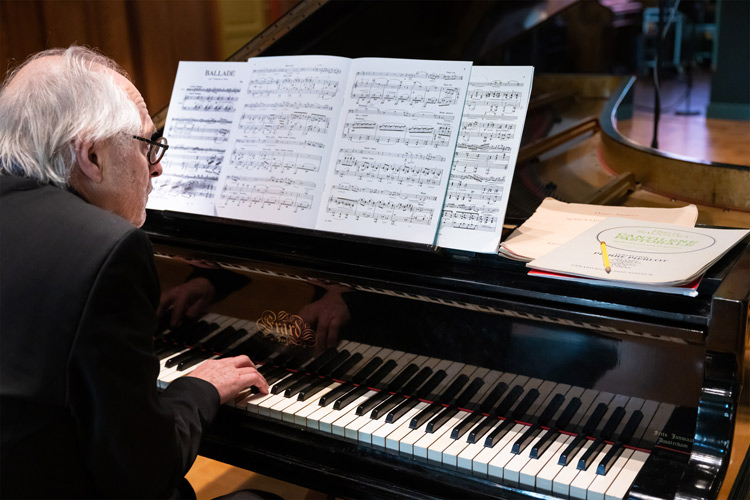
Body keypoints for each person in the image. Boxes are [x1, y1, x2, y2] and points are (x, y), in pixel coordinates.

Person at [0, 46, 269, 499]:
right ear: (92, 157)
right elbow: (144, 475)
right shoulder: (105, 250)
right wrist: (198, 389)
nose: (158, 166)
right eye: (148, 145)